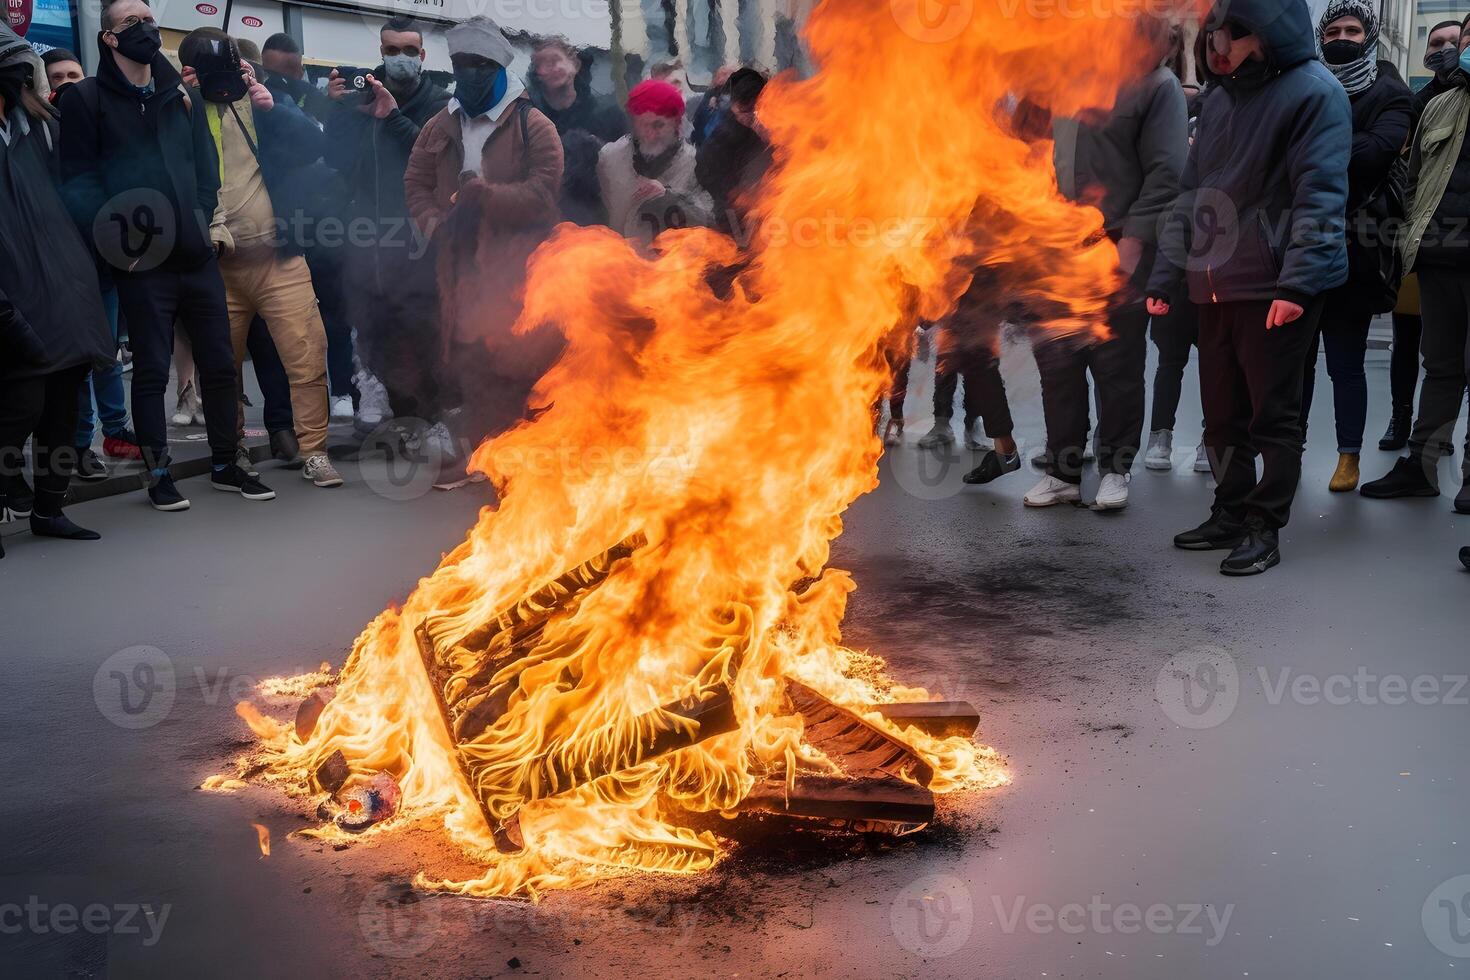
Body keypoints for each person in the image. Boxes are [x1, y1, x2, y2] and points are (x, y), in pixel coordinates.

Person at [1147, 0, 1351, 575]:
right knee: (1221, 413)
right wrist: (1168, 274)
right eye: (1213, 36)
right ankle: (1230, 508)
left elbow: (1320, 195)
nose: (1217, 49)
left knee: (1273, 415)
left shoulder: (1316, 92)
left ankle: (1265, 524)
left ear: (1264, 34)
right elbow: (1189, 193)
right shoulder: (1218, 100)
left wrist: (1298, 284)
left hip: (1273, 283)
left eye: (1230, 37)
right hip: (1212, 283)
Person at [59, 0, 271, 510]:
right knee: (151, 370)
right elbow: (78, 183)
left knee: (221, 364)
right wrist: (116, 247)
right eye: (132, 21)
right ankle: (159, 474)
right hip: (139, 262)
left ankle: (225, 463)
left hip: (195, 255)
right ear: (108, 38)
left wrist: (200, 221)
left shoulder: (180, 93)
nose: (146, 27)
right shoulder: (85, 99)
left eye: (149, 17)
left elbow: (206, 164)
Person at [1025, 29, 1188, 510]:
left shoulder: (1156, 85)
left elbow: (1167, 172)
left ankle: (1115, 469)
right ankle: (1063, 472)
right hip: (1057, 247)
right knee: (1058, 364)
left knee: (1116, 366)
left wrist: (1133, 242)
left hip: (1117, 243)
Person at [176, 28, 342, 489]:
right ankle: (232, 456)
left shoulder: (261, 102)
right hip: (217, 269)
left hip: (279, 260)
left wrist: (267, 101)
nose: (220, 80)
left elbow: (315, 145)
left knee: (307, 356)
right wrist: (180, 101)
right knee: (220, 370)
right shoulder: (179, 107)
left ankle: (315, 452)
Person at [404, 16, 564, 478]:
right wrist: (433, 223)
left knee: (521, 364)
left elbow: (543, 193)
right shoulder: (441, 123)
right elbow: (415, 181)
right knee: (471, 362)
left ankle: (528, 468)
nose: (468, 72)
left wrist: (485, 195)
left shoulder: (533, 124)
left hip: (520, 270)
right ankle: (485, 458)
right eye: (460, 63)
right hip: (458, 269)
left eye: (478, 64)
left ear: (496, 67)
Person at [0, 20, 114, 557]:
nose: (24, 73)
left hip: (63, 285)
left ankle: (49, 508)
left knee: (61, 410)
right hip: (12, 289)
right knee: (18, 408)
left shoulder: (39, 124)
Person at [1297, 1, 1412, 493]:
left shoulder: (1391, 92)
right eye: (1334, 31)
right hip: (1299, 243)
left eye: (1352, 29)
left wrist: (1312, 147)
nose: (1341, 38)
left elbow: (1375, 154)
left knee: (1345, 362)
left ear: (1369, 36)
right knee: (1294, 363)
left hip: (1357, 249)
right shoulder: (1303, 85)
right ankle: (1289, 450)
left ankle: (1348, 457)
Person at [1361, 14, 1470, 515]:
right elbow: (1414, 180)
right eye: (1465, 40)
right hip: (1440, 258)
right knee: (1441, 366)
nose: (1462, 48)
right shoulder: (1441, 102)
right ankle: (1421, 467)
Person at [325, 15, 451, 449]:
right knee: (371, 322)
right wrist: (339, 112)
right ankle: (385, 402)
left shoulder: (439, 101)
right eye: (392, 50)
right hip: (368, 231)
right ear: (380, 52)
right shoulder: (361, 95)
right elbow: (339, 161)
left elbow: (439, 159)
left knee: (422, 328)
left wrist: (392, 117)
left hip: (418, 232)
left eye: (409, 50)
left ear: (423, 55)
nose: (401, 58)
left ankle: (432, 419)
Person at [1381, 18, 1463, 452]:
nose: (1448, 48)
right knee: (1415, 346)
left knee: (1451, 357)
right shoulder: (1419, 103)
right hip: (1425, 248)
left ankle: (1451, 450)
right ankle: (1405, 428)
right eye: (1439, 42)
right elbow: (1406, 176)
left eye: (1457, 41)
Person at [598, 80, 712, 244]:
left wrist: (670, 197)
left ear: (676, 124)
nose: (650, 135)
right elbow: (595, 215)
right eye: (643, 124)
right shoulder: (610, 158)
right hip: (621, 259)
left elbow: (709, 223)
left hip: (675, 261)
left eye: (658, 125)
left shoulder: (695, 163)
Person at [695, 67, 772, 238]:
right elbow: (703, 171)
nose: (753, 116)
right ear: (733, 106)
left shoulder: (778, 124)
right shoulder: (722, 137)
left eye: (757, 109)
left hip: (777, 214)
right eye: (745, 111)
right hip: (735, 221)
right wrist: (733, 194)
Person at [528, 37, 625, 142]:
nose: (554, 67)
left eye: (557, 59)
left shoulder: (605, 116)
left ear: (575, 65)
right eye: (545, 64)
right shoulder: (530, 119)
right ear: (537, 75)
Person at [259, 32, 333, 125]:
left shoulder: (307, 92)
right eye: (270, 73)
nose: (278, 80)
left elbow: (332, 118)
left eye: (290, 68)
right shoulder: (255, 95)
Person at [690, 65, 737, 147]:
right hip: (706, 138)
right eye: (721, 74)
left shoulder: (734, 97)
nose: (722, 77)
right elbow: (698, 118)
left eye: (726, 74)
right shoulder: (709, 94)